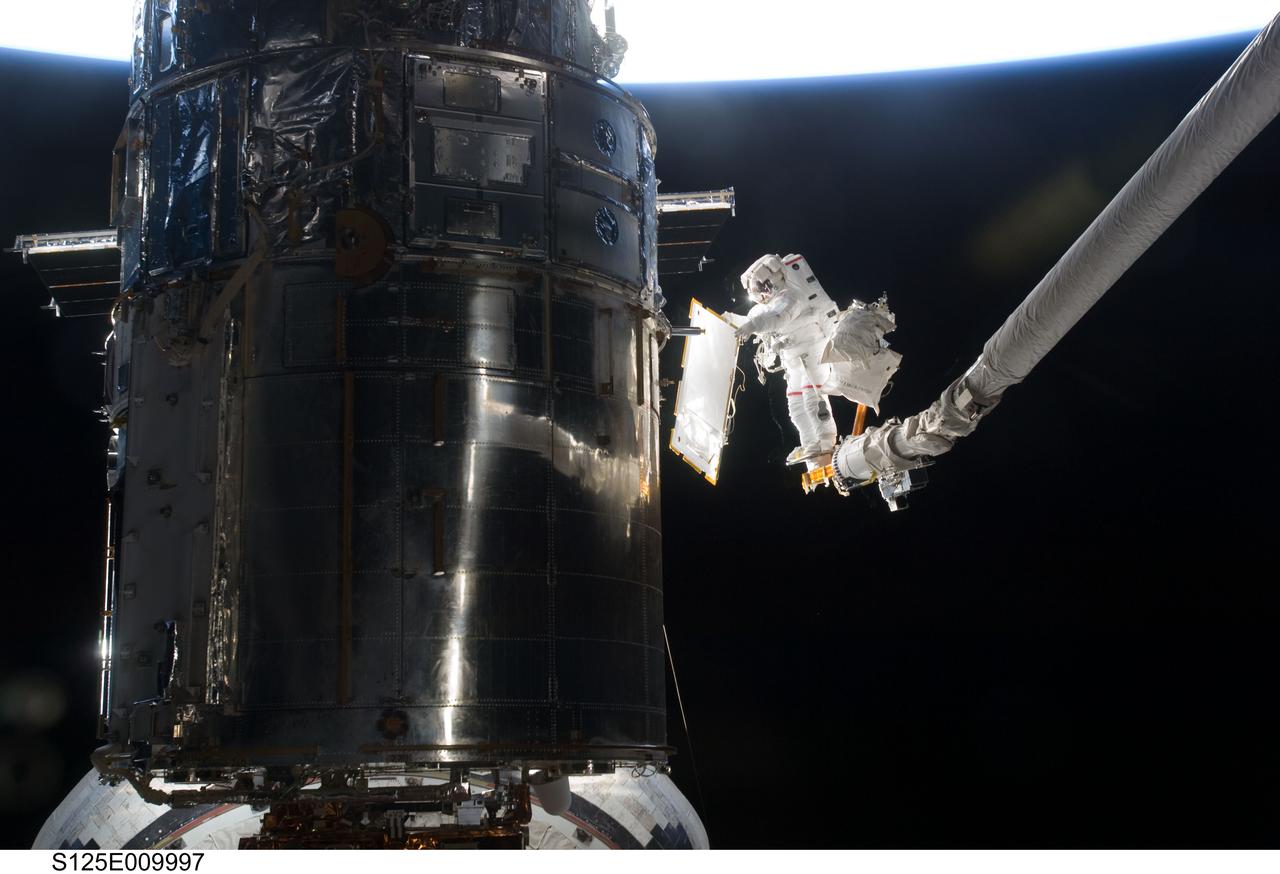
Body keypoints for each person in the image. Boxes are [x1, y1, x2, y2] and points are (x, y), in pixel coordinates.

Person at [723, 254, 901, 472]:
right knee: (795, 407)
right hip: (793, 363)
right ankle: (810, 445)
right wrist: (729, 320)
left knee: (813, 401)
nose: (760, 294)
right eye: (756, 290)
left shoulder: (791, 297)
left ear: (772, 281)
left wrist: (752, 326)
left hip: (813, 357)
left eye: (761, 287)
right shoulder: (764, 307)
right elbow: (754, 320)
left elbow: (779, 318)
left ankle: (825, 444)